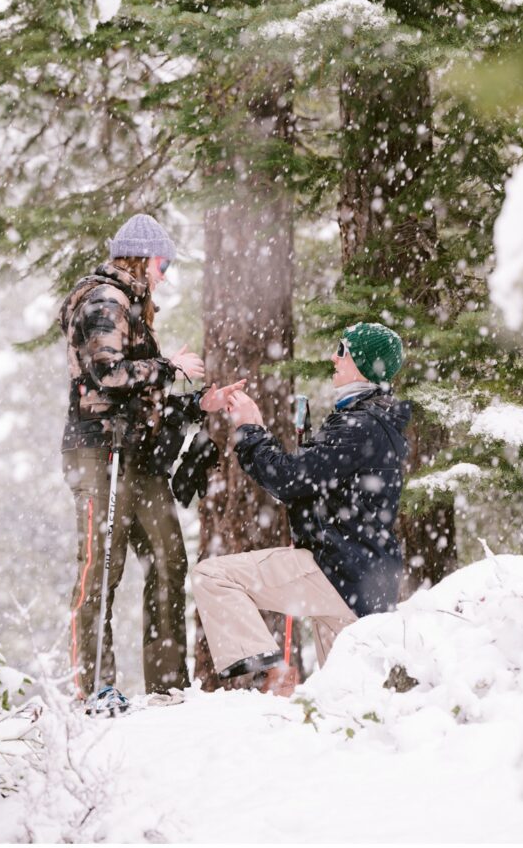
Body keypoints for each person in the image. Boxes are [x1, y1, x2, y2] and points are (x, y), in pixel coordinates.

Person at [59, 213, 243, 711]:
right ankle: (94, 686)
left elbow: (142, 397)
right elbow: (107, 374)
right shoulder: (104, 301)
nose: (164, 275)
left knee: (167, 559)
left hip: (137, 454)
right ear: (142, 258)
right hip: (100, 451)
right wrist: (169, 366)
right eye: (163, 264)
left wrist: (197, 402)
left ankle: (168, 685)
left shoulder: (131, 306)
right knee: (101, 567)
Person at [191, 321, 411, 696]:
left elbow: (289, 479)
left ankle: (267, 672)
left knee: (213, 577)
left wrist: (250, 429)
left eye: (342, 351)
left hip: (339, 570)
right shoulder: (375, 421)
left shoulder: (360, 424)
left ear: (364, 362)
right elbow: (317, 487)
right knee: (347, 706)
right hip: (365, 581)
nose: (333, 357)